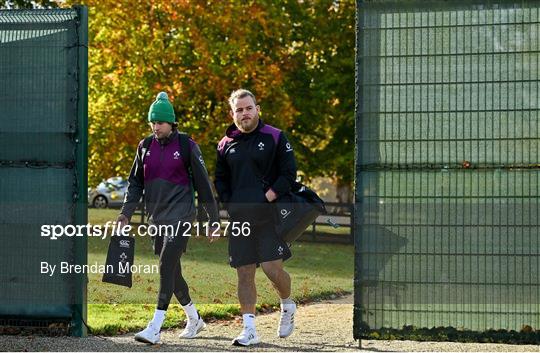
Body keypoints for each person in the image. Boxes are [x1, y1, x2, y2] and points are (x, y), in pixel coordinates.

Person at [117, 92, 219, 344]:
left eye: (160, 122)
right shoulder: (144, 147)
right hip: (157, 219)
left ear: (171, 123)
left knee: (165, 265)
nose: (155, 127)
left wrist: (213, 220)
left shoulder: (187, 146)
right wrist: (125, 213)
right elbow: (135, 184)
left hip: (182, 215)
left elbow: (204, 186)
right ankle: (194, 318)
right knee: (172, 271)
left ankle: (155, 326)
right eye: (152, 122)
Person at [214, 88, 297, 346]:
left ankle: (287, 304)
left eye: (249, 108)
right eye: (239, 109)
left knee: (273, 270)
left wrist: (268, 197)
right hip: (241, 220)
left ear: (257, 109)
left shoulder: (275, 136)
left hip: (269, 218)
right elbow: (221, 180)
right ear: (232, 113)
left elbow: (289, 174)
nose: (244, 113)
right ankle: (249, 329)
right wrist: (231, 205)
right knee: (244, 273)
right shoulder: (224, 144)